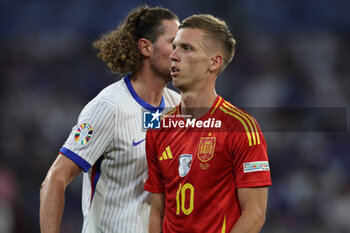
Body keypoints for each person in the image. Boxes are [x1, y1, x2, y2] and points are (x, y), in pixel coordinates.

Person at [40, 6, 181, 233]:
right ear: (146, 47)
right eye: (174, 43)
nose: (180, 53)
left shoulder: (178, 106)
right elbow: (56, 178)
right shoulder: (108, 108)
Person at [144, 14, 272, 233]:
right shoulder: (158, 127)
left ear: (214, 62)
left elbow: (255, 213)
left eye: (186, 48)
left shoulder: (240, 127)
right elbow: (157, 211)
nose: (173, 56)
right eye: (174, 47)